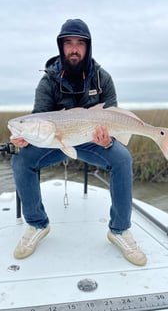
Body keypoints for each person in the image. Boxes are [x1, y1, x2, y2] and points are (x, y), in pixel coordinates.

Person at [10, 19, 147, 266]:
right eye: (69, 43)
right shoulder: (48, 81)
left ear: (88, 46)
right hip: (54, 141)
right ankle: (37, 224)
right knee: (21, 159)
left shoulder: (102, 79)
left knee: (123, 159)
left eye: (80, 43)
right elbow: (38, 118)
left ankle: (119, 230)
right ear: (61, 46)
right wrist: (25, 137)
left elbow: (114, 118)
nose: (74, 49)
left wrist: (107, 142)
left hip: (92, 141)